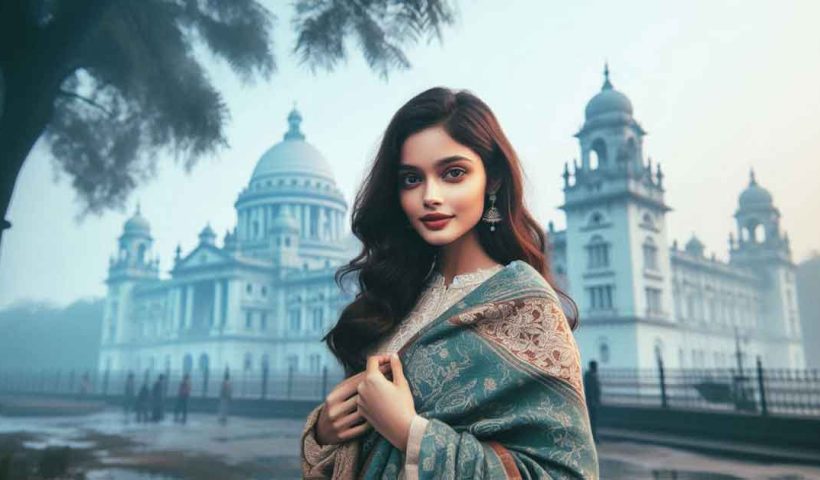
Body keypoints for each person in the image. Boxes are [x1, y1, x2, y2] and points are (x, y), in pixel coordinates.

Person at [299, 87, 598, 479]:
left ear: (491, 180)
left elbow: (566, 474)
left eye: (453, 173)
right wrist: (324, 432)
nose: (430, 196)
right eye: (411, 179)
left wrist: (410, 433)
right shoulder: (398, 296)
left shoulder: (524, 304)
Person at [584, 360, 602, 444]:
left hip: (593, 403)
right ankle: (593, 438)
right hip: (591, 403)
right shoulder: (590, 377)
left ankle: (593, 437)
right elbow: (591, 391)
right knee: (592, 421)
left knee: (593, 421)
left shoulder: (589, 376)